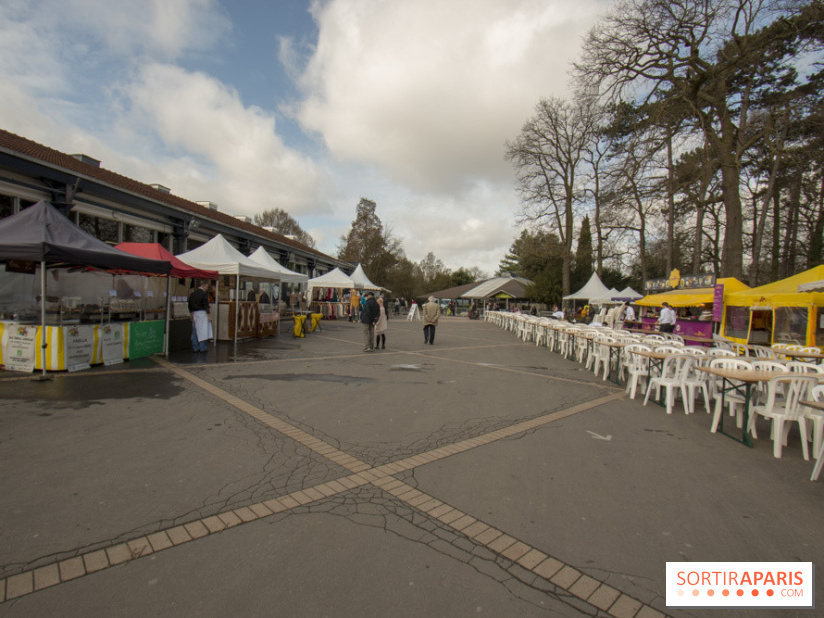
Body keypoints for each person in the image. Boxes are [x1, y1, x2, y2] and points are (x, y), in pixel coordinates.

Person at [188, 279, 212, 353]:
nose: (207, 288)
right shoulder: (204, 294)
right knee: (203, 331)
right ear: (204, 285)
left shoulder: (192, 294)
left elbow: (189, 305)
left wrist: (191, 314)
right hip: (202, 313)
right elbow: (205, 305)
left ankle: (195, 347)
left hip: (195, 313)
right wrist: (209, 315)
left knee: (195, 331)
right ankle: (202, 347)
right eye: (207, 287)